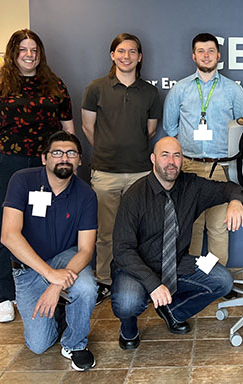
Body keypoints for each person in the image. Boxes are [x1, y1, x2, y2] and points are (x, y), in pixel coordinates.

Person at [0, 29, 74, 323]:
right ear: (13, 53)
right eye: (22, 50)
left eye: (34, 50)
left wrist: (70, 159)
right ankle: (6, 295)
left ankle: (40, 281)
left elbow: (68, 127)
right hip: (5, 163)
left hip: (45, 166)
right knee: (6, 228)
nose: (29, 55)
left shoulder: (54, 84)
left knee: (42, 224)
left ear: (40, 54)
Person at [111, 137, 243, 350]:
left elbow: (228, 188)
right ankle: (128, 327)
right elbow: (122, 250)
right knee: (128, 302)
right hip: (136, 268)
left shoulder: (191, 185)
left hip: (177, 262)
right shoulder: (134, 196)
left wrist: (236, 201)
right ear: (153, 159)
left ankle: (173, 311)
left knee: (223, 279)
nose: (171, 161)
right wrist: (153, 284)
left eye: (177, 155)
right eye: (165, 155)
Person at [1, 131, 97, 371]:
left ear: (79, 160)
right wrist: (49, 274)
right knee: (38, 344)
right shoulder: (22, 180)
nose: (64, 158)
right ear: (44, 158)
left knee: (86, 287)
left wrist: (56, 284)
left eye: (71, 153)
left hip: (65, 258)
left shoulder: (86, 194)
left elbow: (85, 250)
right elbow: (9, 235)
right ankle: (62, 313)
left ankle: (75, 343)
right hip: (28, 268)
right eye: (57, 153)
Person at [82, 33, 161, 305]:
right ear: (112, 55)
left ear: (139, 57)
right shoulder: (96, 88)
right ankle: (105, 280)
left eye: (132, 52)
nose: (126, 56)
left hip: (140, 172)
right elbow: (87, 127)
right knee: (106, 232)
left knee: (141, 231)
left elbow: (149, 131)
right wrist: (109, 149)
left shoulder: (150, 92)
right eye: (121, 51)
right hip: (105, 172)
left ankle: (140, 279)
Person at [163, 33, 243, 267]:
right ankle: (189, 280)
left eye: (211, 51)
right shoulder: (180, 89)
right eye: (201, 51)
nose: (206, 55)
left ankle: (216, 282)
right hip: (188, 167)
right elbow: (170, 128)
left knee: (217, 227)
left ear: (218, 55)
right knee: (190, 226)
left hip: (220, 168)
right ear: (193, 56)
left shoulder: (232, 90)